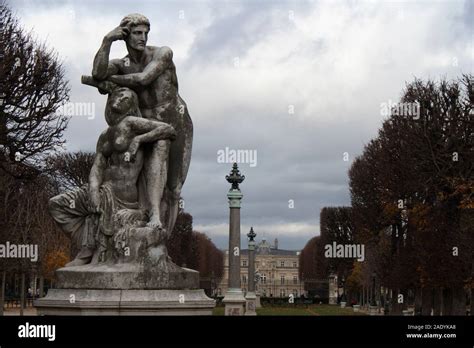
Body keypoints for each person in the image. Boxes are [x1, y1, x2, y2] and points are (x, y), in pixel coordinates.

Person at [49, 87, 176, 266]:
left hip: (124, 196)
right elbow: (98, 165)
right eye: (117, 95)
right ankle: (87, 246)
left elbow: (168, 130)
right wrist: (93, 188)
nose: (119, 98)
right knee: (57, 205)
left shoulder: (132, 123)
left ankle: (89, 249)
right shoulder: (105, 135)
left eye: (125, 97)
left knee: (86, 212)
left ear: (131, 105)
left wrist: (139, 140)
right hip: (103, 190)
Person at [91, 13, 193, 236]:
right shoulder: (122, 64)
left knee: (174, 188)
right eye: (137, 33)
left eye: (146, 33)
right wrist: (107, 40)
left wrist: (109, 81)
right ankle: (152, 221)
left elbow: (142, 79)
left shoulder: (162, 53)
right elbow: (97, 72)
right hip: (145, 122)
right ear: (125, 35)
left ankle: (163, 244)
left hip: (175, 119)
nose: (143, 38)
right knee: (144, 178)